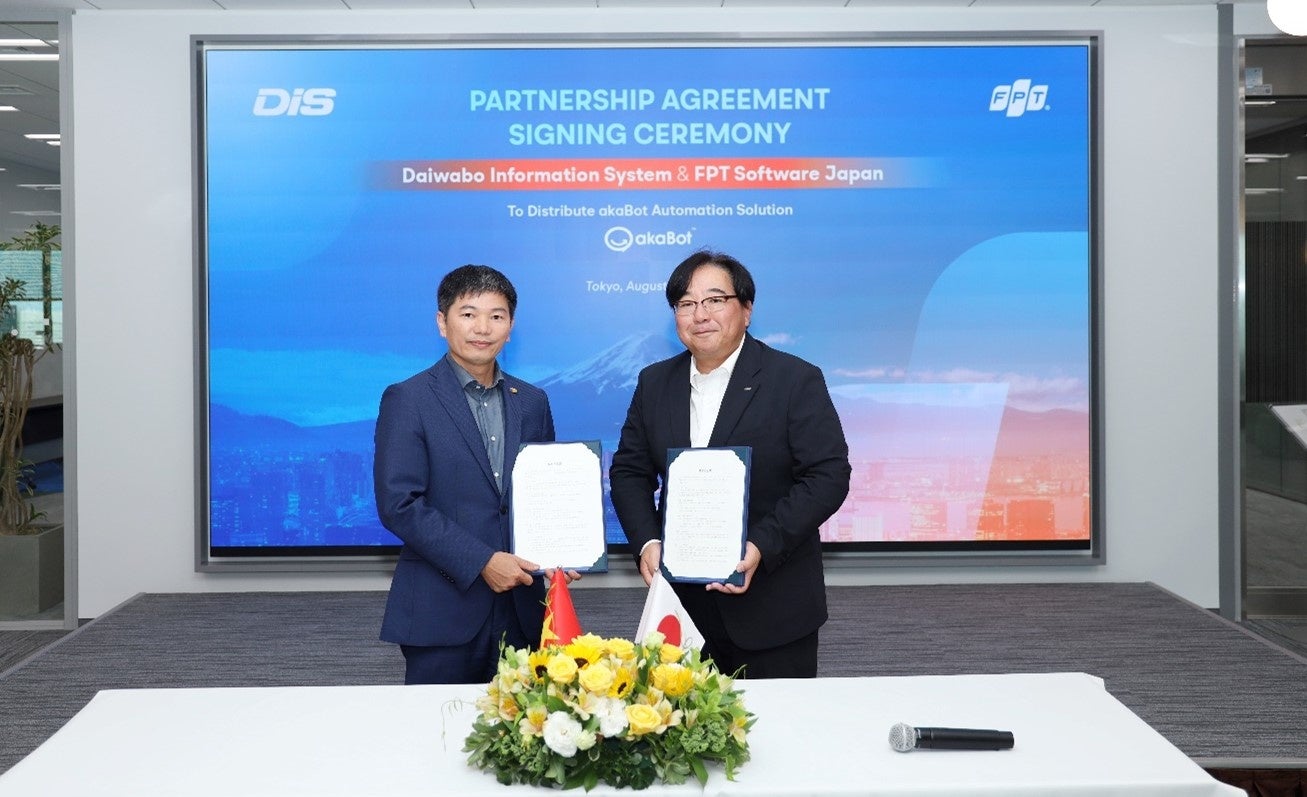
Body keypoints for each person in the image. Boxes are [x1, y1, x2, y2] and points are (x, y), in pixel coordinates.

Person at [609, 250, 851, 679]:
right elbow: (629, 472)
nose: (700, 314)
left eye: (715, 300)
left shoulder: (794, 379)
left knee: (778, 721)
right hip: (681, 613)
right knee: (679, 720)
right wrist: (647, 542)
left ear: (747, 309)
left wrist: (759, 546)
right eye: (686, 303)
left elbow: (828, 476)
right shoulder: (654, 382)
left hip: (772, 608)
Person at [374, 264, 555, 685]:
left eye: (497, 316)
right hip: (442, 610)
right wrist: (483, 561)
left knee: (525, 722)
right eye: (469, 314)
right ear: (442, 322)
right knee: (436, 724)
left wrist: (561, 552)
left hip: (523, 611)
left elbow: (544, 494)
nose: (483, 328)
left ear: (510, 327)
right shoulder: (408, 399)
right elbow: (399, 504)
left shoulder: (532, 401)